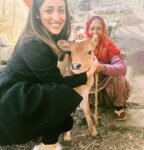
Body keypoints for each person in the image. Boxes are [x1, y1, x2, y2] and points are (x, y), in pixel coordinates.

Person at [0, 0, 98, 148]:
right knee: (58, 94)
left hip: (24, 90)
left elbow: (64, 51)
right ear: (37, 15)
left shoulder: (48, 35)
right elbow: (57, 83)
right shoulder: (32, 43)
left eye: (61, 10)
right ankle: (47, 143)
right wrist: (88, 74)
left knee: (60, 110)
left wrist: (76, 44)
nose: (57, 17)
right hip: (9, 100)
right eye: (49, 10)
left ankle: (47, 141)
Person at [78, 15, 131, 121]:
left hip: (107, 88)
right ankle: (91, 105)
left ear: (104, 30)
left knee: (119, 78)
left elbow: (122, 67)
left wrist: (101, 68)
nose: (95, 31)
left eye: (99, 28)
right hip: (91, 87)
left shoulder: (108, 45)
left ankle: (118, 107)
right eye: (92, 28)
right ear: (87, 29)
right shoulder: (82, 43)